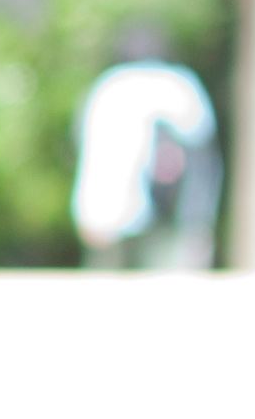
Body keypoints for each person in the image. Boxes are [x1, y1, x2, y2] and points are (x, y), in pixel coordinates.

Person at [71, 26, 220, 271]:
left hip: (108, 213)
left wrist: (86, 214)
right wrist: (199, 218)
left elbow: (86, 153)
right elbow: (202, 146)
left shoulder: (107, 86)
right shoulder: (180, 85)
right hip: (168, 212)